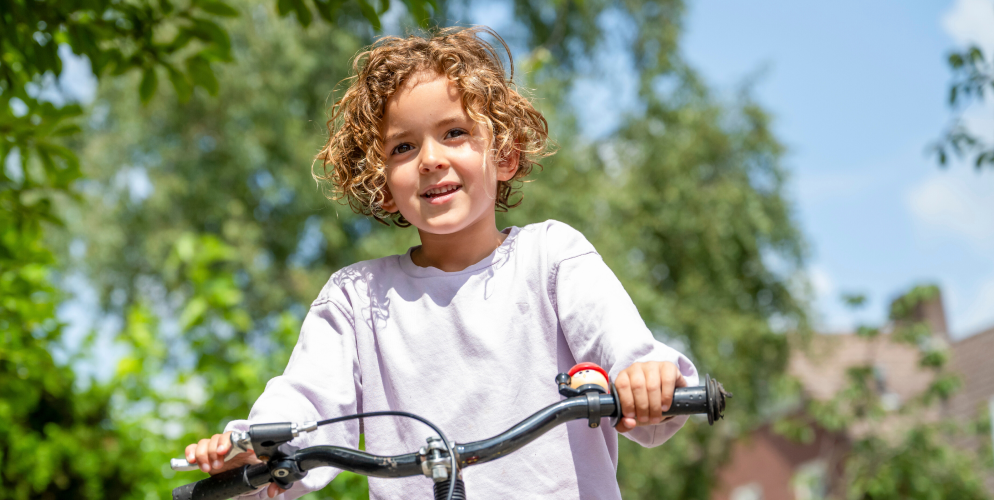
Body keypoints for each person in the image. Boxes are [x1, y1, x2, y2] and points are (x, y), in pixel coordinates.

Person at [182, 26, 696, 499]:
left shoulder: (552, 258)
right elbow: (304, 409)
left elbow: (626, 351)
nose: (430, 158)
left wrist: (643, 377)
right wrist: (255, 447)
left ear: (505, 155)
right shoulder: (357, 298)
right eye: (403, 146)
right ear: (382, 185)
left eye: (454, 133)